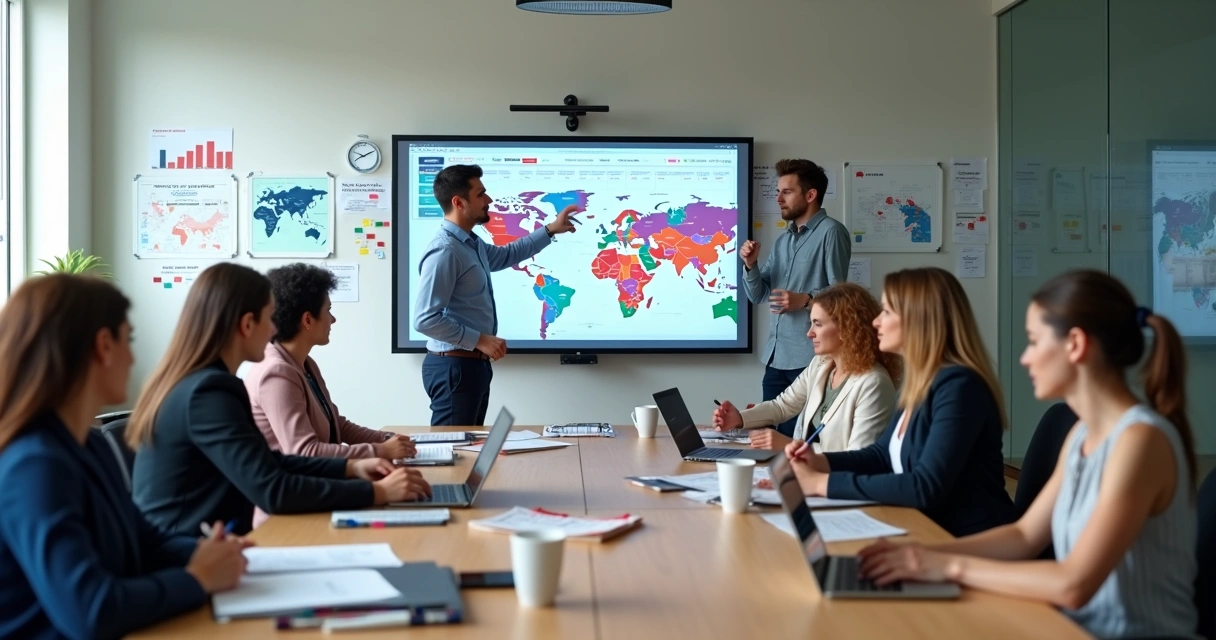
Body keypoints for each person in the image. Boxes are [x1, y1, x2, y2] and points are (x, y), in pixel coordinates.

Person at [856, 270, 1200, 640]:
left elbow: (1073, 584)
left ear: (1075, 344)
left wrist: (948, 565)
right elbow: (1024, 535)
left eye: (1034, 341)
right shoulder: (1083, 435)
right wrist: (923, 554)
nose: (1025, 358)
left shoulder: (1140, 441)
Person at [0, 274, 249, 639]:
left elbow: (145, 540)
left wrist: (205, 552)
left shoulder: (90, 444)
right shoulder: (34, 465)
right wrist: (198, 578)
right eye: (128, 339)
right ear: (104, 345)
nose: (133, 358)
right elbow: (91, 610)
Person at [129, 263, 431, 536]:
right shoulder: (209, 393)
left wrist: (351, 468)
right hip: (189, 554)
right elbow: (273, 488)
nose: (275, 328)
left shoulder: (205, 384)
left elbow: (271, 462)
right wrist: (378, 492)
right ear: (247, 324)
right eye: (268, 318)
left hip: (209, 546)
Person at [781, 267, 1016, 538]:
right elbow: (880, 456)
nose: (876, 322)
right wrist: (820, 462)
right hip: (927, 528)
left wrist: (821, 484)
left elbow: (924, 486)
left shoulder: (960, 387)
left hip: (969, 540)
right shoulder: (925, 382)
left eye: (887, 312)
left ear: (919, 320)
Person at [412, 164, 578, 426]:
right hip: (454, 367)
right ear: (458, 202)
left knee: (469, 446)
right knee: (452, 446)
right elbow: (425, 319)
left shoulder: (470, 243)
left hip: (471, 366)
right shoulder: (445, 251)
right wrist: (479, 339)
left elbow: (506, 255)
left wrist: (550, 229)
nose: (488, 200)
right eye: (480, 194)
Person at [246, 263, 417, 461]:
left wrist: (388, 439)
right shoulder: (276, 373)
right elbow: (305, 452)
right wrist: (381, 451)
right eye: (328, 310)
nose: (333, 319)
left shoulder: (305, 363)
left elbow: (337, 425)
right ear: (307, 320)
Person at [713, 282, 899, 452]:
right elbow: (782, 406)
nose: (809, 333)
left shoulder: (874, 383)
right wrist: (740, 418)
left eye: (817, 324)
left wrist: (789, 445)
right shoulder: (821, 364)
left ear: (846, 329)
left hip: (834, 476)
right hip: (806, 470)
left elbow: (859, 458)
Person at [741, 159, 851, 438]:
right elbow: (758, 294)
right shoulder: (783, 240)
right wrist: (751, 265)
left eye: (787, 192)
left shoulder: (832, 232)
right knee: (766, 440)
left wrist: (806, 300)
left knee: (796, 442)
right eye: (778, 192)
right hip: (775, 358)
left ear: (810, 195)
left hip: (808, 360)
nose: (778, 198)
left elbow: (842, 296)